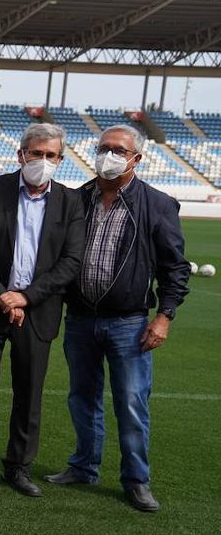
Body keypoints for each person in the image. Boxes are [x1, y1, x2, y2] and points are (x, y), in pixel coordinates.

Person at [46, 125, 189, 513]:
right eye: (103, 148)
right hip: (80, 319)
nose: (108, 155)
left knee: (130, 402)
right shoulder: (77, 200)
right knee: (82, 397)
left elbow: (174, 268)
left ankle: (136, 479)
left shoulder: (157, 204)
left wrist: (164, 317)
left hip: (129, 322)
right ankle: (84, 465)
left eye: (118, 150)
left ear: (136, 158)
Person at [0, 123, 85, 496]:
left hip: (39, 308)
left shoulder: (71, 200)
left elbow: (71, 260)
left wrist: (26, 297)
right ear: (21, 154)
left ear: (61, 160)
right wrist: (3, 295)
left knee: (30, 390)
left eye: (51, 156)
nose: (42, 161)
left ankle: (19, 466)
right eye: (36, 153)